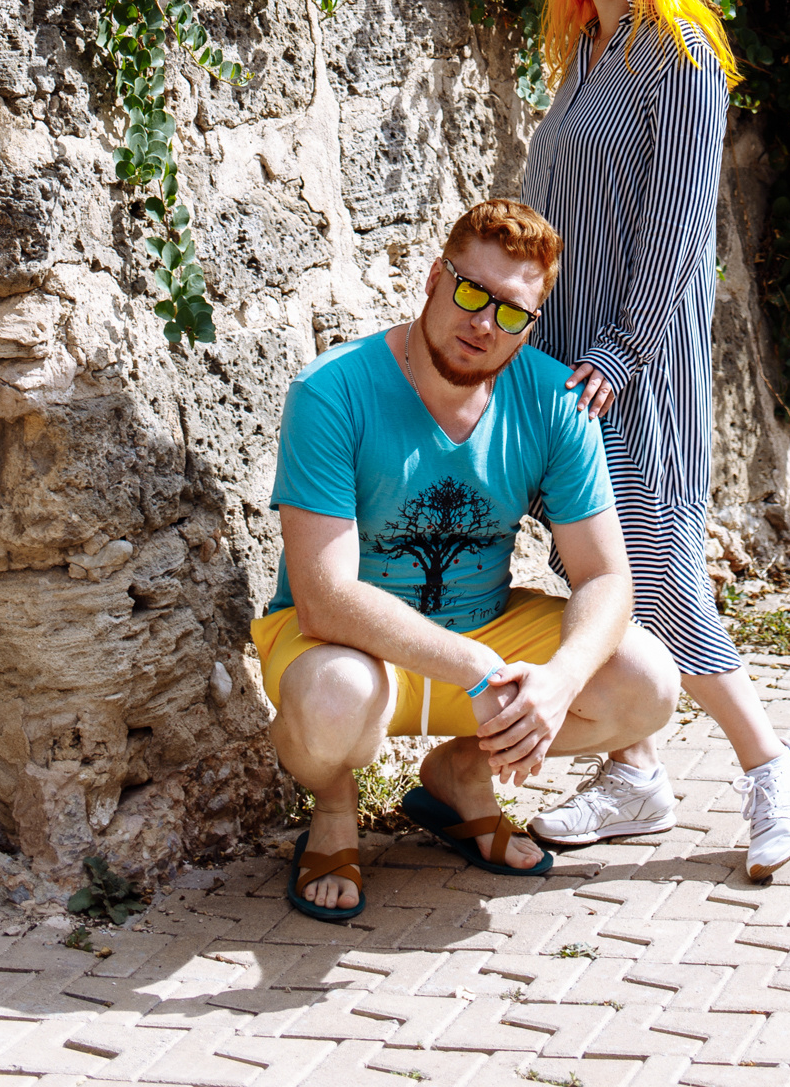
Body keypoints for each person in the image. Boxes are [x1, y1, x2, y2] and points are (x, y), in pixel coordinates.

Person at [520, 0, 790, 882]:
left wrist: (625, 345)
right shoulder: (585, 58)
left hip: (630, 360)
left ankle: (771, 761)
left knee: (652, 563)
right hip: (563, 360)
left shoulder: (680, 56)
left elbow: (681, 225)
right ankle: (634, 774)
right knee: (583, 564)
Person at [251, 196, 680, 921]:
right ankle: (333, 807)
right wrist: (477, 671)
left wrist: (558, 681)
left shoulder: (553, 402)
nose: (483, 323)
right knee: (333, 700)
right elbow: (324, 597)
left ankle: (459, 774)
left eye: (510, 311)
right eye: (470, 292)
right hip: (348, 648)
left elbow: (607, 576)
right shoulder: (332, 391)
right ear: (433, 278)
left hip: (484, 631)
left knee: (647, 683)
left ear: (531, 324)